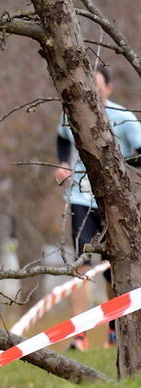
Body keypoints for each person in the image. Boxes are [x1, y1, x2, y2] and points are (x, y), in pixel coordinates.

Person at [55, 64, 141, 350]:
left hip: (112, 203)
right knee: (81, 264)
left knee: (111, 268)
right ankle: (79, 335)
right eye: (88, 86)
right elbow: (61, 138)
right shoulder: (72, 114)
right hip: (80, 199)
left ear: (109, 89)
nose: (92, 92)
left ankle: (114, 330)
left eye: (98, 87)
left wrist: (119, 165)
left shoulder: (124, 118)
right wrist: (64, 163)